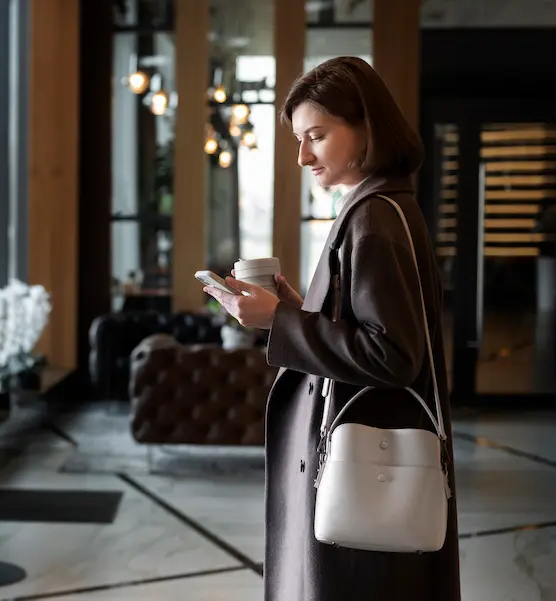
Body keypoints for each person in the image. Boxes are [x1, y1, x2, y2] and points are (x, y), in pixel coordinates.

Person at [204, 56, 461, 601]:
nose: (302, 156)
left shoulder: (373, 217)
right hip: (373, 456)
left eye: (316, 136)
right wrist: (300, 310)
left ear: (366, 126)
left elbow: (392, 355)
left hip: (364, 462)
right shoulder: (388, 203)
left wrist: (277, 321)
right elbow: (384, 328)